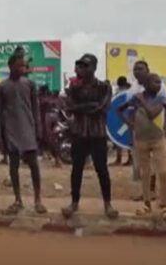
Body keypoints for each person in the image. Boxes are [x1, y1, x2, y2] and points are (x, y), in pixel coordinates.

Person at [62, 54, 118, 219]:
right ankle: (74, 203)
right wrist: (89, 106)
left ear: (94, 67)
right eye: (81, 65)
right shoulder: (74, 87)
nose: (83, 69)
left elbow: (103, 108)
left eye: (86, 66)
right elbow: (70, 108)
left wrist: (82, 108)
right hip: (79, 133)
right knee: (76, 169)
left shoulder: (104, 87)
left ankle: (108, 204)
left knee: (102, 170)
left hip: (97, 133)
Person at [0, 54, 47, 215]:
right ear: (10, 66)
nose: (22, 69)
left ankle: (38, 199)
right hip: (10, 130)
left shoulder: (30, 84)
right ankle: (18, 199)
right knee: (13, 166)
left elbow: (35, 109)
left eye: (23, 66)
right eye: (18, 66)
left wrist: (39, 128)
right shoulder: (2, 87)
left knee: (33, 165)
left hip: (28, 128)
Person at [118, 73, 166, 220]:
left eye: (159, 82)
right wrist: (130, 124)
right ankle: (147, 203)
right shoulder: (136, 98)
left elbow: (151, 113)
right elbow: (120, 109)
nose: (159, 85)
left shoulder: (160, 99)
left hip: (158, 138)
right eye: (155, 82)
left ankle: (164, 203)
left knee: (163, 172)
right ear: (147, 84)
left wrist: (141, 100)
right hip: (141, 139)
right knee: (145, 173)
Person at [111, 76, 133, 166]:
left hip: (122, 119)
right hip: (128, 118)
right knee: (127, 139)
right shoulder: (130, 92)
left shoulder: (119, 93)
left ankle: (120, 159)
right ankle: (128, 158)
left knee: (120, 138)